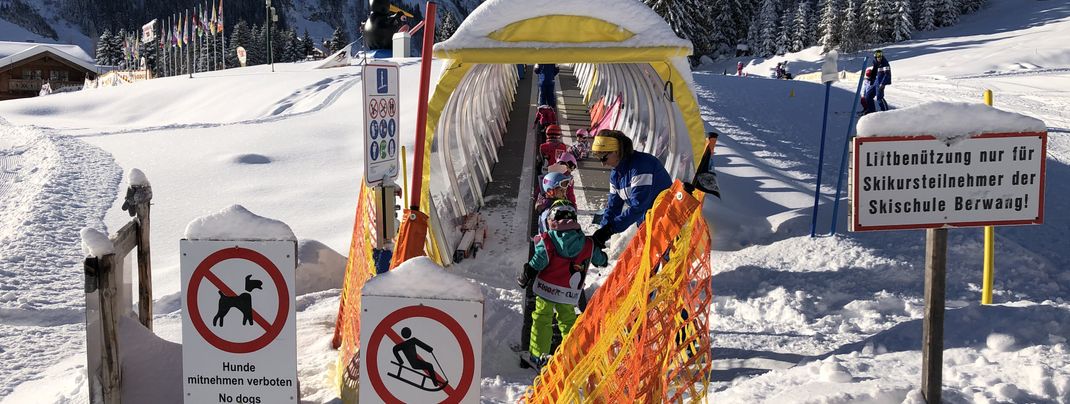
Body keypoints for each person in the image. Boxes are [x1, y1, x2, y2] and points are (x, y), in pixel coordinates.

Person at [517, 202, 608, 368]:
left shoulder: (548, 240)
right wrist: (603, 259)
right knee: (567, 320)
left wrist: (526, 273)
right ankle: (572, 355)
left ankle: (538, 356)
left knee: (541, 318)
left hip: (546, 289)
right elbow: (599, 259)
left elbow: (538, 262)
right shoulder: (587, 244)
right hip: (568, 293)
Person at [589, 130, 673, 248]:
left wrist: (611, 229)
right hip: (648, 223)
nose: (603, 164)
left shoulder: (641, 166)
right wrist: (602, 231)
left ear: (616, 151)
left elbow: (638, 206)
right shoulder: (616, 174)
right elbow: (613, 206)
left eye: (604, 158)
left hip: (668, 222)